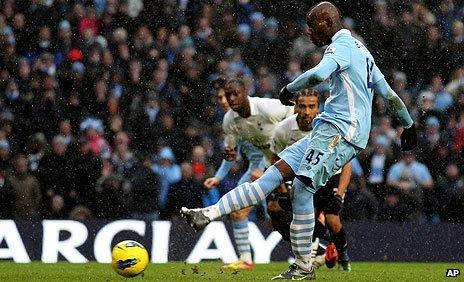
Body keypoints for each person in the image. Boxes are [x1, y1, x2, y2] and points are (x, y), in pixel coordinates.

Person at [181, 2, 417, 280]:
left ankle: (304, 265)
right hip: (325, 129)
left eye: (312, 24)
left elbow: (318, 74)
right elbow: (388, 95)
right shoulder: (364, 54)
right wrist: (409, 125)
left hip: (340, 133)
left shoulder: (339, 48)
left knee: (302, 190)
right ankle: (207, 214)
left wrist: (288, 90)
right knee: (270, 178)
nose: (308, 31)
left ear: (327, 23)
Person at [267, 89, 352, 271]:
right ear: (295, 107)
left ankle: (342, 255)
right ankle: (314, 258)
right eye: (302, 106)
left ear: (318, 107)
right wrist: (282, 190)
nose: (306, 112)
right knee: (303, 221)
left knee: (332, 220)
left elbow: (347, 163)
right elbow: (274, 158)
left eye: (311, 106)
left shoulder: (330, 126)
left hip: (331, 178)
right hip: (305, 179)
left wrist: (340, 193)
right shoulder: (283, 129)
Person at [203, 77, 265, 270]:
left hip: (274, 165)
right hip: (255, 170)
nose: (223, 101)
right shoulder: (230, 121)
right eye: (220, 97)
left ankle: (322, 248)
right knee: (237, 210)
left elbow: (272, 140)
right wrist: (218, 177)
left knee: (284, 216)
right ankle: (245, 259)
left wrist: (264, 167)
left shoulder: (255, 111)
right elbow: (232, 154)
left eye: (227, 96)